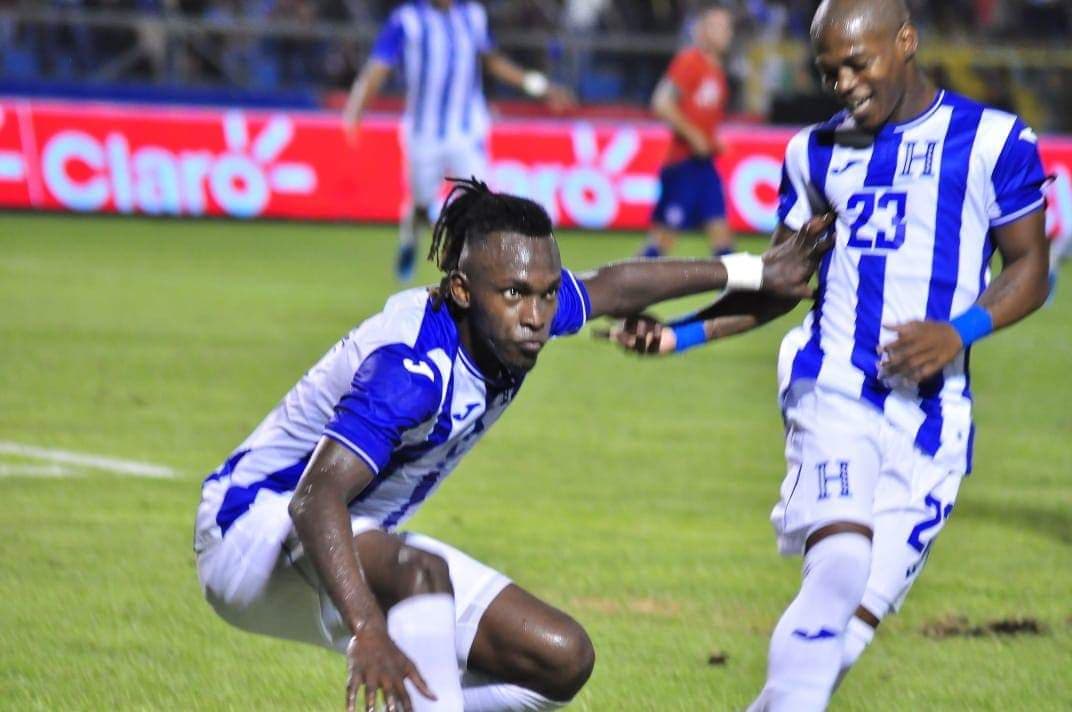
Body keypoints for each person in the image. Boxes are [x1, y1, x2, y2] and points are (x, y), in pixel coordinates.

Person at [193, 178, 831, 712]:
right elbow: (315, 498)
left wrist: (753, 268)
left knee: (559, 659)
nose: (536, 314)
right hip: (253, 534)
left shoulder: (517, 314)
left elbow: (615, 285)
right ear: (464, 290)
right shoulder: (411, 369)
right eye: (516, 295)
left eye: (547, 293)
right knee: (423, 576)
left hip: (349, 541)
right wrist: (366, 628)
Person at [601, 0, 1051, 709]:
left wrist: (956, 331)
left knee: (848, 632)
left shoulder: (995, 141)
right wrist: (680, 332)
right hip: (832, 387)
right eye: (827, 69)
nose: (841, 82)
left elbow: (1031, 269)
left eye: (857, 63)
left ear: (905, 41)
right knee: (838, 565)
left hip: (932, 427)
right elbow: (783, 284)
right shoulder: (811, 152)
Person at [342, 0, 574, 283]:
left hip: (467, 130)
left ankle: (468, 272)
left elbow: (492, 60)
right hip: (423, 133)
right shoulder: (407, 20)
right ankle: (411, 235)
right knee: (421, 201)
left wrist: (539, 86)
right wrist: (356, 109)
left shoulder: (473, 15)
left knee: (478, 201)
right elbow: (379, 67)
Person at [639, 4, 736, 259]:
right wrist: (694, 136)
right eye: (718, 27)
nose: (726, 33)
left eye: (728, 27)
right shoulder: (690, 61)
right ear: (702, 31)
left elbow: (701, 118)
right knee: (662, 240)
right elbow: (661, 102)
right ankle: (627, 290)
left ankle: (737, 296)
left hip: (703, 164)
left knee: (722, 236)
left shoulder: (717, 72)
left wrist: (712, 141)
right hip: (682, 164)